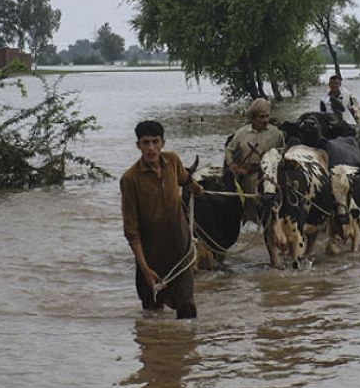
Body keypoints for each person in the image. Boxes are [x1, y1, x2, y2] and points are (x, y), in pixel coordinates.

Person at [120, 120, 204, 319]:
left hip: (180, 254)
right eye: (145, 143)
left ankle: (185, 348)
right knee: (152, 317)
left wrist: (197, 188)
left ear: (163, 143)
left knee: (187, 310)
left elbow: (185, 179)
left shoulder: (173, 161)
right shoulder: (130, 180)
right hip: (152, 259)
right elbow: (131, 232)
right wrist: (145, 269)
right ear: (138, 145)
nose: (151, 148)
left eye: (155, 142)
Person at [224, 98, 285, 222]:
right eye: (261, 117)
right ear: (253, 118)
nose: (265, 120)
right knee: (249, 210)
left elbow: (283, 152)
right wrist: (231, 164)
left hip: (270, 177)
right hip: (248, 175)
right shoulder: (241, 133)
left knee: (272, 212)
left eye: (267, 116)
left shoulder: (276, 133)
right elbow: (229, 149)